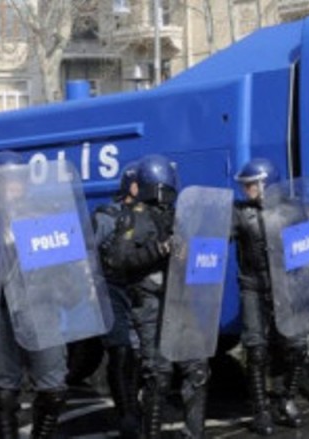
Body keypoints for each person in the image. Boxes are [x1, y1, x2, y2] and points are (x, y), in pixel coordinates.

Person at [99, 154, 209, 439]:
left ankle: (194, 432)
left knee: (197, 368)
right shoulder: (132, 217)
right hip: (149, 300)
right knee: (158, 375)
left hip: (179, 300)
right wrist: (158, 250)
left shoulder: (177, 216)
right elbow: (118, 259)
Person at [0, 151, 68, 439]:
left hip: (40, 308)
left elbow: (66, 265)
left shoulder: (44, 217)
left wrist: (66, 289)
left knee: (54, 389)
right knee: (3, 392)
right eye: (7, 182)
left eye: (18, 181)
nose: (14, 188)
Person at [232, 158, 306, 436]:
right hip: (253, 285)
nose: (247, 189)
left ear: (267, 184)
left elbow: (306, 247)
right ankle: (260, 410)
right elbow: (217, 239)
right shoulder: (240, 213)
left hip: (284, 284)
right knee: (256, 348)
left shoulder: (291, 211)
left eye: (252, 184)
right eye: (246, 185)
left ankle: (286, 400)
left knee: (297, 345)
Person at [92, 161, 140, 439]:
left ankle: (133, 407)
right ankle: (126, 414)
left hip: (138, 291)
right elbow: (88, 251)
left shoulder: (151, 215)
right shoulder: (107, 216)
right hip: (110, 289)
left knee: (136, 354)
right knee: (120, 351)